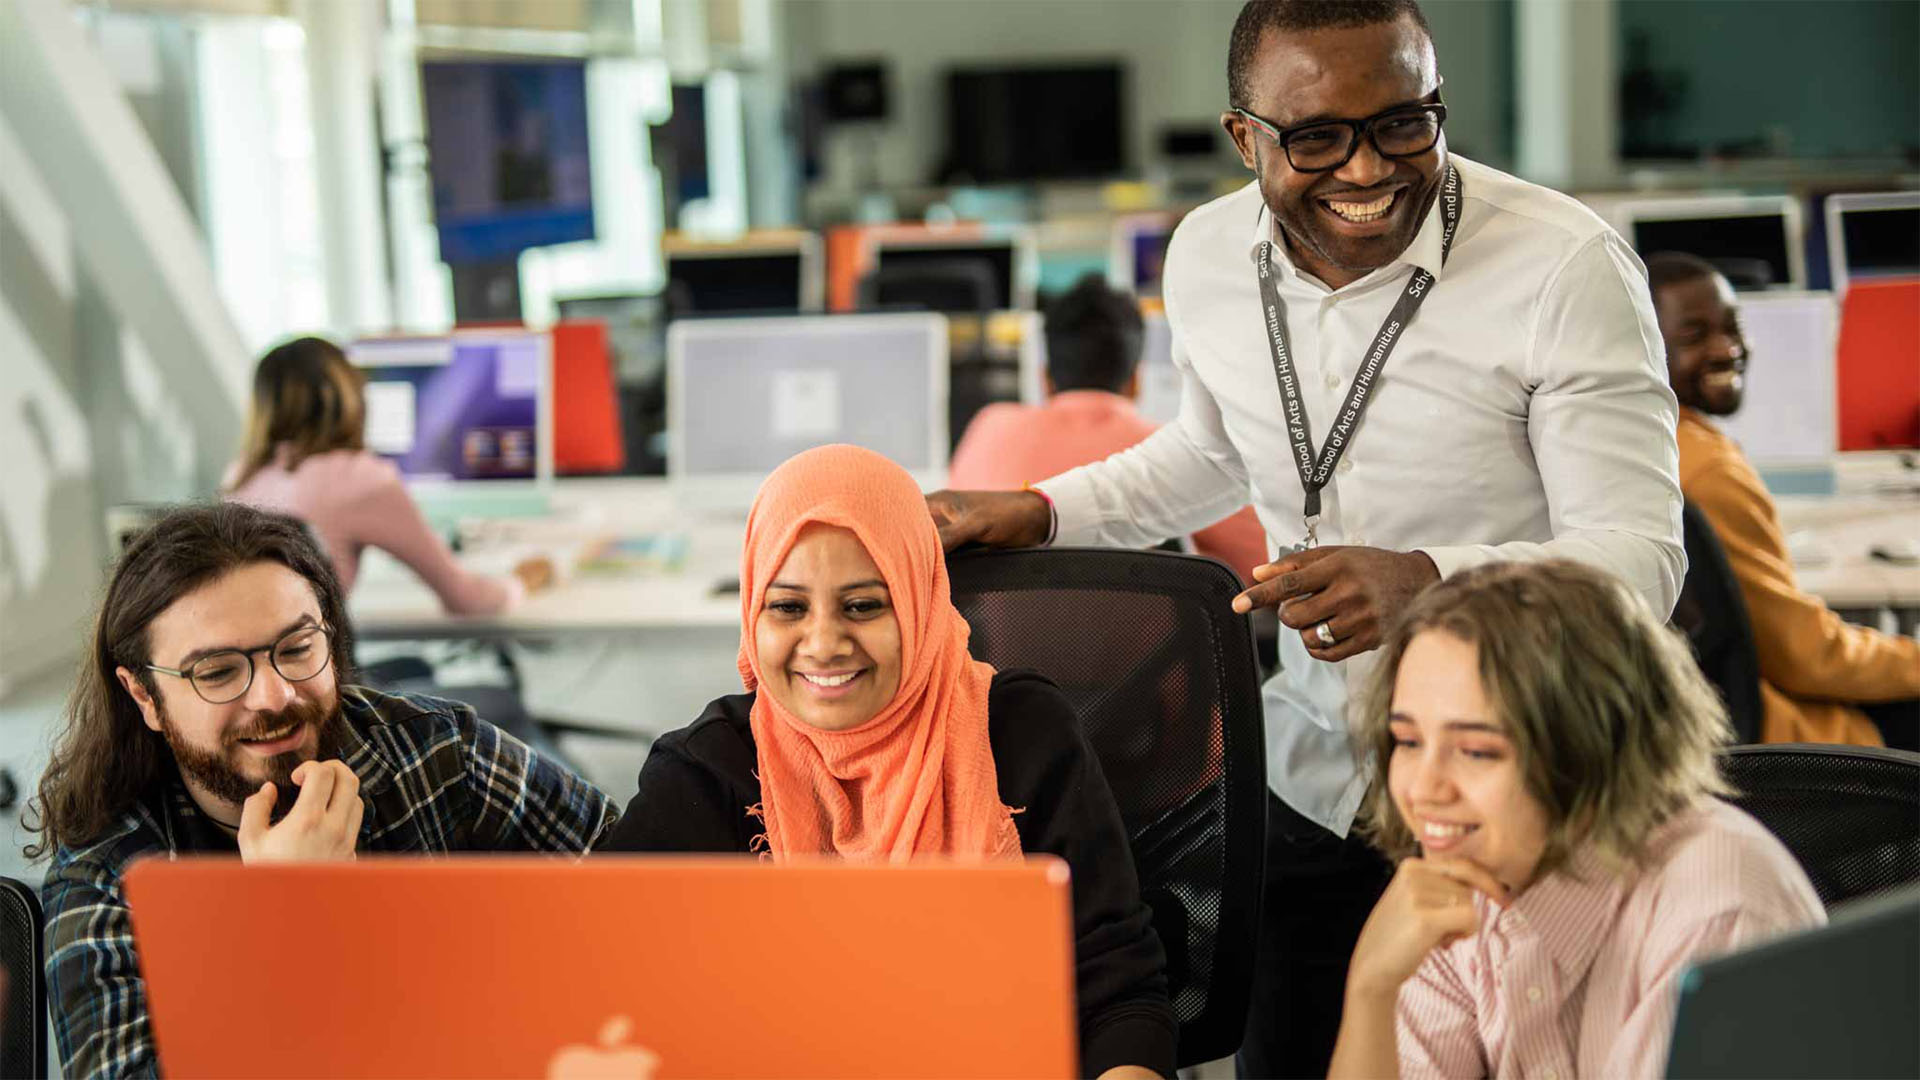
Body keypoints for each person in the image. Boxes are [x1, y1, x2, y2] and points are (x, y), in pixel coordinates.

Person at [927, 2, 1685, 1073]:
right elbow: (1215, 452)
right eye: (1318, 136)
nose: (1368, 167)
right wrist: (1047, 509)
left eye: (1404, 124)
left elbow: (1641, 558)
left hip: (1525, 789)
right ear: (1245, 138)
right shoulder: (1204, 256)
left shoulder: (1563, 267)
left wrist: (1433, 585)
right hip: (1317, 779)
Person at [599, 444, 1176, 1080]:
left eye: (864, 605)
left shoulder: (1022, 734)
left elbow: (1117, 991)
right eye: (788, 607)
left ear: (918, 598)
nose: (823, 643)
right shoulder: (709, 770)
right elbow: (603, 988)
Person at [27, 503, 617, 1079]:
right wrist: (290, 916)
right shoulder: (108, 876)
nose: (275, 696)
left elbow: (630, 874)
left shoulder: (434, 751)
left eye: (297, 649)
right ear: (144, 698)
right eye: (218, 672)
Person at [1328, 559, 1824, 1079]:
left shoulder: (1715, 906)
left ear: (1589, 746)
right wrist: (1371, 988)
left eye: (1475, 751)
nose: (1424, 788)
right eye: (1408, 741)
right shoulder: (1459, 882)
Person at [1646, 251, 1920, 750]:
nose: (1727, 348)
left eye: (1733, 327)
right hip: (1782, 740)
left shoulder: (1647, 445)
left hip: (1694, 731)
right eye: (1693, 336)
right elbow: (1807, 658)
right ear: (1643, 349)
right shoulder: (1707, 467)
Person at [949, 274, 1267, 584]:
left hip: (998, 638)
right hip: (1148, 638)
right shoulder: (1178, 453)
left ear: (1044, 378)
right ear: (1136, 382)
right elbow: (1265, 561)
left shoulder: (989, 427)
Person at [225, 336, 547, 613]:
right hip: (316, 680)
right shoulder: (360, 479)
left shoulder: (240, 476)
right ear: (348, 397)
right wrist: (522, 581)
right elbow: (466, 599)